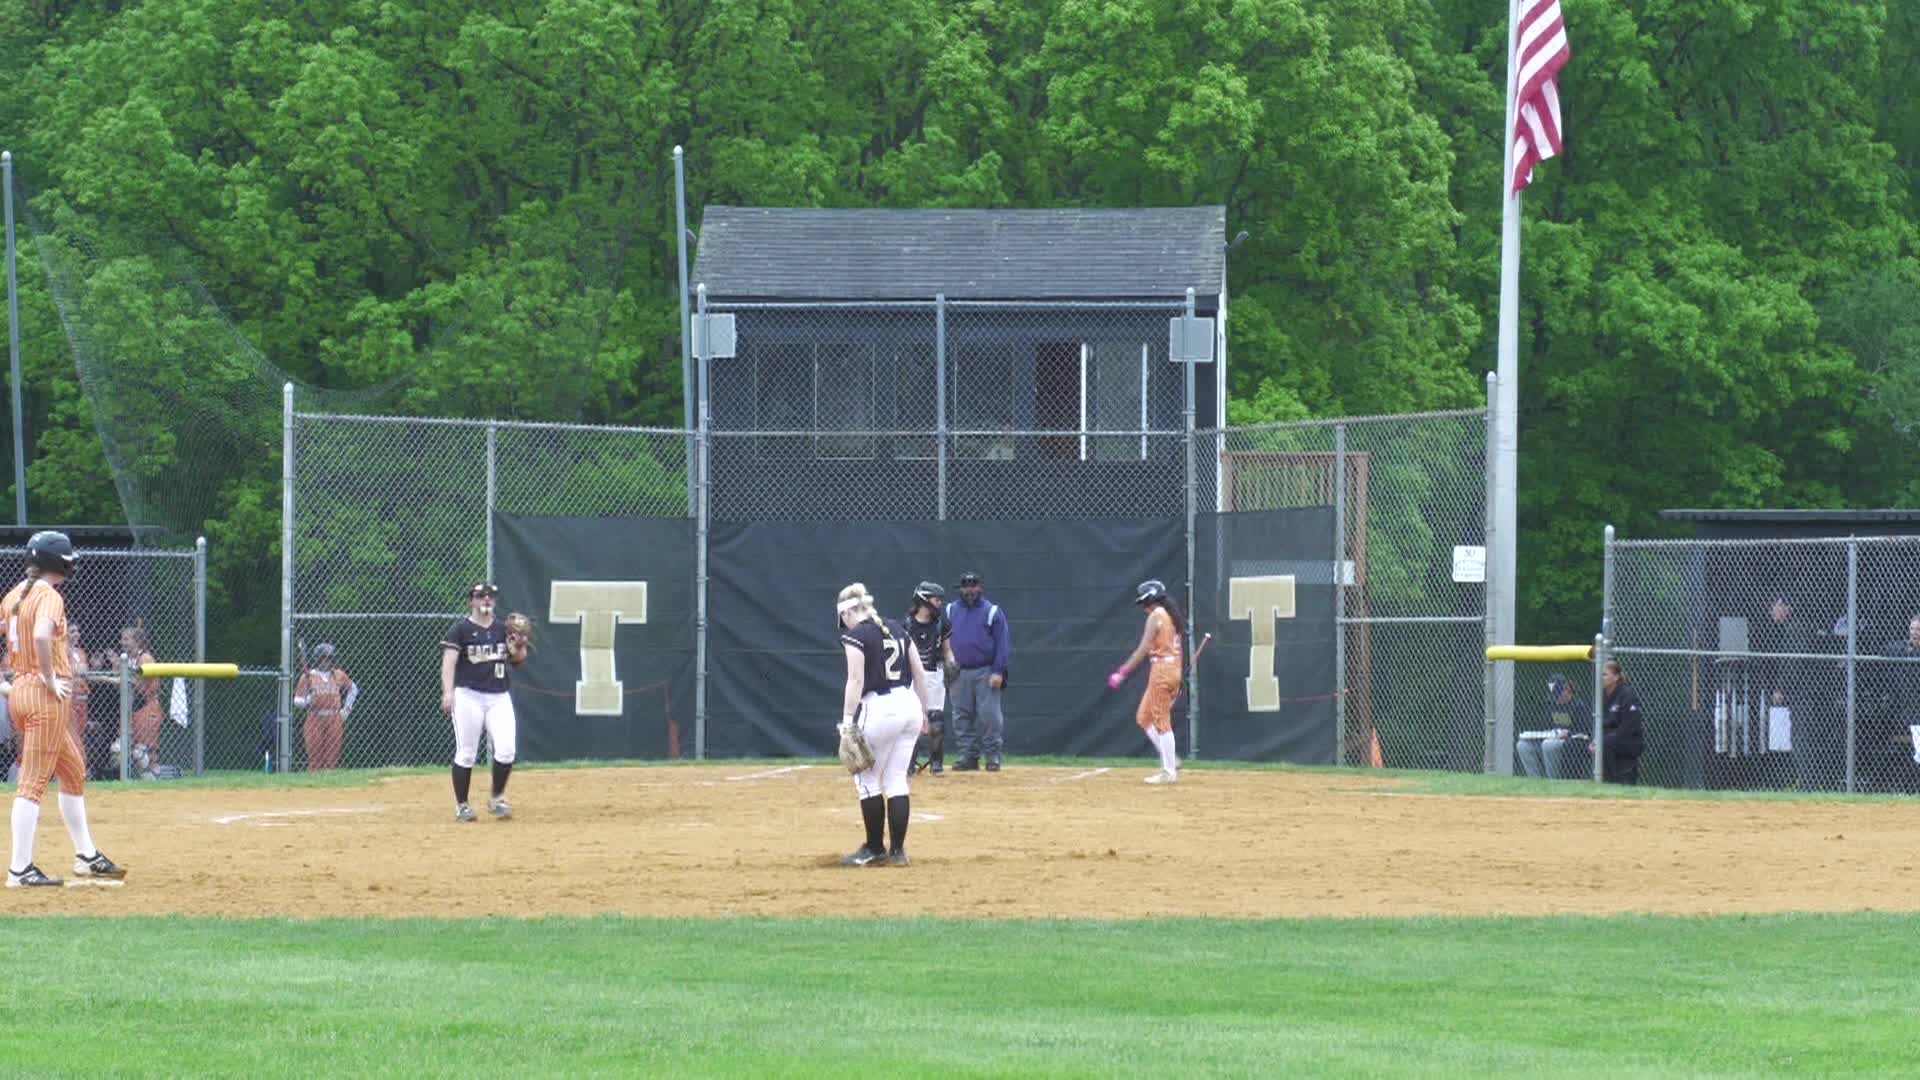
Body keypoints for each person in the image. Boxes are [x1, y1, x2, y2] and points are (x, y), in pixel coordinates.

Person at [3, 531, 127, 887]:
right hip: (44, 695)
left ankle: (86, 855)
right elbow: (42, 636)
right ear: (57, 563)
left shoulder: (14, 594)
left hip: (21, 691)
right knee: (32, 783)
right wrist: (47, 677)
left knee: (74, 770)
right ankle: (20, 870)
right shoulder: (49, 595)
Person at [835, 582, 931, 867]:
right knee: (896, 779)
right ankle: (898, 852)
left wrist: (847, 722)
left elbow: (856, 680)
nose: (844, 623)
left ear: (850, 611)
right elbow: (921, 675)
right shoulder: (897, 629)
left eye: (844, 617)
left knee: (866, 780)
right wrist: (925, 713)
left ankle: (874, 848)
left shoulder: (857, 635)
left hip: (880, 708)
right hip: (909, 705)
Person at [440, 583, 527, 822]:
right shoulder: (461, 630)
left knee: (507, 750)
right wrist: (448, 693)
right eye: (480, 596)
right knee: (467, 753)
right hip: (468, 696)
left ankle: (497, 797)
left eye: (490, 596)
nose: (486, 599)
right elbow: (449, 662)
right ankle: (462, 806)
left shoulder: (503, 629)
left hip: (499, 696)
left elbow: (518, 660)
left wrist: (519, 645)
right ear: (472, 601)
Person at [1107, 579, 1184, 784]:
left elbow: (1142, 649)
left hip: (1161, 671)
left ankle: (1168, 772)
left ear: (1149, 599)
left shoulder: (1156, 616)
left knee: (1161, 720)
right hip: (1172, 669)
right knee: (1144, 717)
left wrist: (1122, 672)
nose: (1142, 607)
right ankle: (1171, 760)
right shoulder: (1170, 616)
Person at [947, 570, 1010, 771]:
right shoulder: (950, 610)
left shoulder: (992, 611)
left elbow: (1002, 643)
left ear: (980, 588)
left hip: (986, 671)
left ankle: (993, 756)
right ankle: (968, 756)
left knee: (990, 715)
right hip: (958, 671)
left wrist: (998, 671)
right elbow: (943, 639)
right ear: (961, 588)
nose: (970, 590)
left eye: (973, 585)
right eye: (966, 586)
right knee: (961, 716)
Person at [905, 581, 953, 776]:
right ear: (924, 600)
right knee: (911, 721)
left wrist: (951, 663)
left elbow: (948, 650)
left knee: (936, 721)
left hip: (934, 674)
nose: (940, 603)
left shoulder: (942, 623)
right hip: (911, 677)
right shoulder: (907, 624)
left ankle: (936, 763)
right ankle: (908, 763)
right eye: (936, 599)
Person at [294, 643, 357, 771]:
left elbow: (353, 689)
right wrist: (307, 701)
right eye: (323, 658)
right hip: (315, 717)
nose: (326, 662)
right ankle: (314, 785)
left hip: (334, 718)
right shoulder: (308, 676)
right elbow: (296, 701)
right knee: (314, 756)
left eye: (329, 658)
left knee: (332, 757)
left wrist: (347, 708)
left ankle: (329, 784)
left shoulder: (338, 675)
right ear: (317, 659)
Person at [1517, 674, 1590, 779]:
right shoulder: (1551, 704)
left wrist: (1568, 733)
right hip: (1551, 739)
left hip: (1569, 742)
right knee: (1523, 745)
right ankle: (1535, 782)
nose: (1557, 698)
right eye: (1554, 695)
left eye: (1558, 694)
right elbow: (1544, 727)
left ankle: (1553, 782)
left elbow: (1585, 731)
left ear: (1566, 690)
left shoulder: (1578, 706)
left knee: (1548, 745)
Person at [120, 626, 162, 778]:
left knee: (146, 751)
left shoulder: (145, 658)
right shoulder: (130, 659)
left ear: (137, 641)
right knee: (127, 749)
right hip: (134, 709)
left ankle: (153, 778)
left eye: (126, 639)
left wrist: (120, 677)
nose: (122, 642)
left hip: (147, 707)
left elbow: (140, 685)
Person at [1599, 659, 1645, 784]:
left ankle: (1613, 781)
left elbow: (1629, 727)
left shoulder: (1627, 694)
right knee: (1600, 741)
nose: (1602, 678)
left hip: (1630, 741)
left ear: (1616, 677)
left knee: (1605, 742)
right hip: (1611, 738)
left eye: (1605, 674)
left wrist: (1606, 738)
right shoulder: (1602, 695)